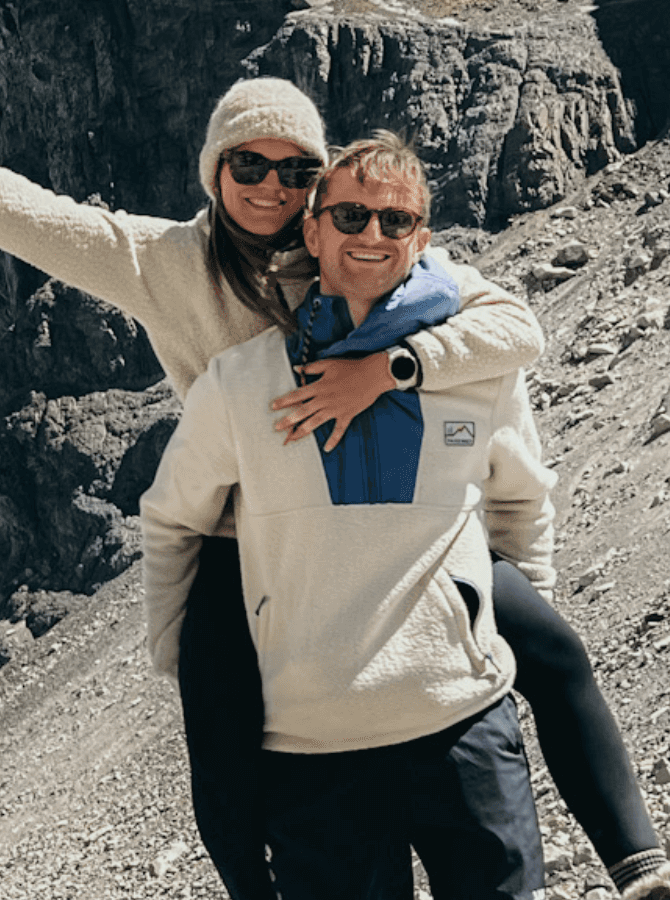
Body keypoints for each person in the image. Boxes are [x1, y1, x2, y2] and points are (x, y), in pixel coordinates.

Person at [0, 48, 670, 900]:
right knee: (221, 742)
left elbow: (511, 326)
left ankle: (640, 866)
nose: (272, 186)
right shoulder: (163, 262)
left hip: (382, 520)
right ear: (216, 170)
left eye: (295, 171)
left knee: (546, 645)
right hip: (238, 529)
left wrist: (392, 367)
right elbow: (31, 217)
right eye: (249, 163)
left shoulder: (353, 241)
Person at [143, 134, 555, 898]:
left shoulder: (476, 370)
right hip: (310, 752)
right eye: (352, 216)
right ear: (312, 229)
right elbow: (173, 522)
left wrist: (488, 635)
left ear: (423, 240)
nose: (373, 236)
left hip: (464, 725)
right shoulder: (241, 384)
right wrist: (178, 656)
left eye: (396, 222)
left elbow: (522, 501)